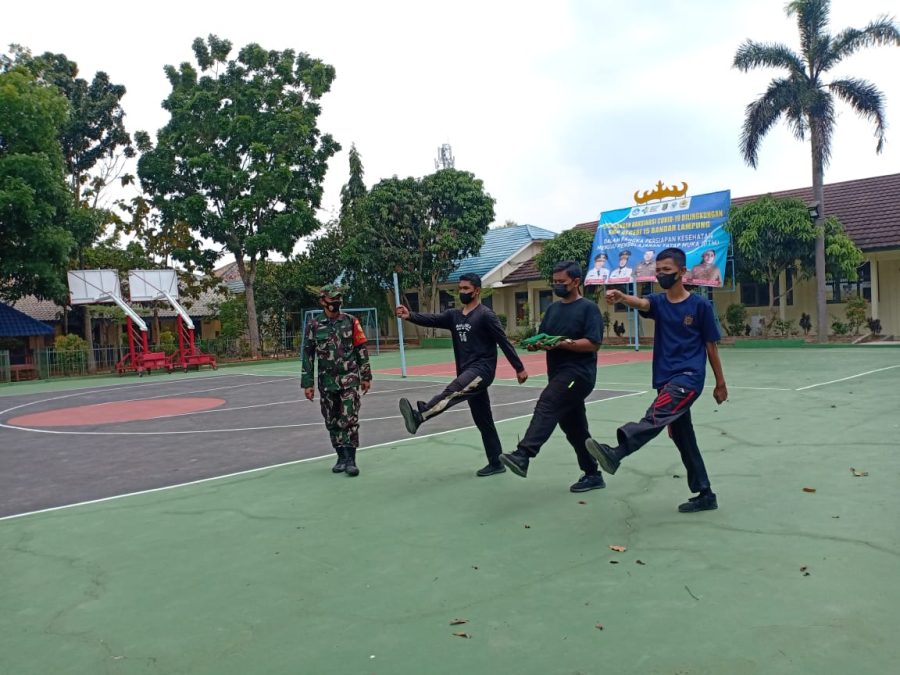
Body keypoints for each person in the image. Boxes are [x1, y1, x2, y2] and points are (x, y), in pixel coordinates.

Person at [584, 247, 728, 512]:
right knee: (684, 439)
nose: (661, 275)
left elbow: (711, 347)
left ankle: (617, 453)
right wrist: (621, 296)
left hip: (688, 378)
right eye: (658, 271)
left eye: (667, 271)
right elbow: (643, 303)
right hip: (665, 378)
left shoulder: (700, 306)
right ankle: (705, 493)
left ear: (682, 272)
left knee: (656, 415)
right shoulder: (659, 303)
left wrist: (720, 383)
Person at [395, 273, 529, 476]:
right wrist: (409, 315)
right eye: (460, 289)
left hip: (481, 370)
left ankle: (420, 415)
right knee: (483, 420)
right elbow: (432, 319)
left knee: (452, 391)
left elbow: (504, 342)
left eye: (466, 289)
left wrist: (519, 368)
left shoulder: (486, 315)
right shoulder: (454, 316)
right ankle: (496, 462)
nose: (462, 292)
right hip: (467, 370)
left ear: (477, 291)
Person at [498, 261, 606, 492]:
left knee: (548, 402)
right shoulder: (554, 310)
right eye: (554, 282)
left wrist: (564, 343)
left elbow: (593, 344)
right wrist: (537, 344)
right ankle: (592, 473)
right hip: (557, 373)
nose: (557, 286)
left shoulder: (589, 308)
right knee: (574, 428)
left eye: (562, 282)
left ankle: (523, 454)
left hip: (579, 374)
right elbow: (544, 337)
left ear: (576, 282)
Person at [301, 283, 372, 477]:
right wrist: (307, 383)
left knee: (349, 419)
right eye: (332, 299)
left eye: (338, 299)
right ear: (323, 301)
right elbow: (307, 356)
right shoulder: (314, 326)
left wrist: (366, 376)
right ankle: (340, 456)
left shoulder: (351, 321)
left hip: (349, 379)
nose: (336, 302)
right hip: (326, 382)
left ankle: (351, 459)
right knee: (331, 420)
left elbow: (361, 350)